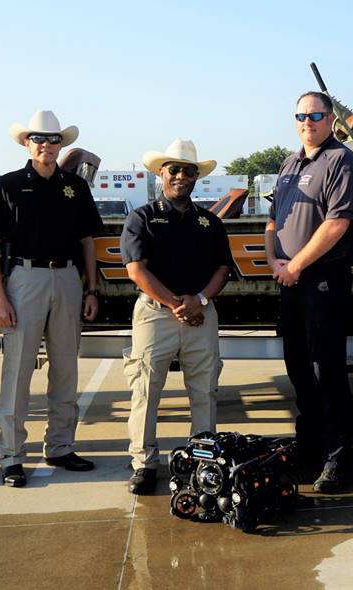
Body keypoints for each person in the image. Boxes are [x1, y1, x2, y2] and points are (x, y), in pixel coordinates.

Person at [0, 110, 102, 487]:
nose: (46, 146)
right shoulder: (8, 185)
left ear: (62, 144)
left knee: (66, 369)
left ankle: (60, 446)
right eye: (39, 139)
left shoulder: (75, 187)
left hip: (66, 278)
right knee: (18, 371)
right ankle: (12, 456)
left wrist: (91, 288)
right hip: (24, 279)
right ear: (26, 143)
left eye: (53, 139)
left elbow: (87, 241)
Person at [120, 139, 231, 495]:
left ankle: (202, 461)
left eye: (188, 171)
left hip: (201, 313)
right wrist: (176, 304)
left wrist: (199, 300)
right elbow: (136, 270)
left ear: (197, 177)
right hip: (156, 315)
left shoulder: (210, 222)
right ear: (161, 174)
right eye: (174, 170)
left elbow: (222, 270)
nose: (181, 176)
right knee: (145, 391)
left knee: (204, 391)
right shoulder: (142, 217)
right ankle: (143, 463)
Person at [265, 91, 353, 493]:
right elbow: (274, 221)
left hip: (322, 281)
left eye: (316, 115)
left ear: (331, 121)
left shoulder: (340, 160)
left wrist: (297, 265)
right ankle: (310, 452)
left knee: (326, 374)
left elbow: (338, 224)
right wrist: (275, 263)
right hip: (289, 281)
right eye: (301, 115)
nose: (308, 121)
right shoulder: (290, 164)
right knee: (300, 372)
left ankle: (339, 461)